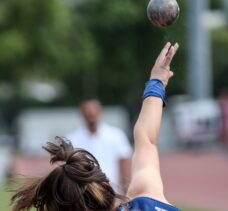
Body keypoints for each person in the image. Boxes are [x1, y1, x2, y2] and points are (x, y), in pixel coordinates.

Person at [11, 42, 180, 211]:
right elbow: (146, 138)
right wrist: (157, 81)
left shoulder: (139, 187)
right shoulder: (146, 196)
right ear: (103, 182)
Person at [67, 99, 132, 192]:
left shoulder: (117, 135)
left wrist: (126, 193)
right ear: (82, 114)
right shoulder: (73, 139)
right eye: (88, 113)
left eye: (93, 112)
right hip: (85, 194)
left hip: (112, 191)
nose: (91, 116)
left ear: (100, 112)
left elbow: (124, 167)